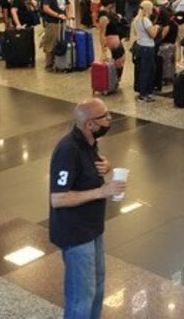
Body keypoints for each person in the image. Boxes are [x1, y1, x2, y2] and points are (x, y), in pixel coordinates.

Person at [49, 98, 126, 318]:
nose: (110, 119)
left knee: (97, 287)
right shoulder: (68, 150)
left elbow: (86, 172)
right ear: (90, 124)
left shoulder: (90, 142)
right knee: (81, 296)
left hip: (93, 228)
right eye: (105, 116)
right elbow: (58, 198)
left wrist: (106, 168)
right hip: (75, 234)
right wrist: (102, 192)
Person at [131, 0, 161, 102]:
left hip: (140, 45)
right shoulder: (145, 20)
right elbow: (153, 35)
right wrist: (156, 27)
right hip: (147, 47)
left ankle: (143, 91)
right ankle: (144, 94)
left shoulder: (136, 20)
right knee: (147, 70)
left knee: (143, 69)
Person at [41, 0, 73, 71]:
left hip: (62, 21)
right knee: (50, 42)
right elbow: (46, 8)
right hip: (52, 22)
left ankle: (58, 62)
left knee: (60, 41)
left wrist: (69, 13)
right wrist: (57, 15)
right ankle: (49, 64)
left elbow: (69, 4)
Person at [96, 0, 128, 85]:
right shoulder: (104, 17)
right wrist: (103, 50)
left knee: (121, 59)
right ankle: (114, 80)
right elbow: (102, 33)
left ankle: (116, 80)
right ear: (110, 4)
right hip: (112, 40)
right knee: (118, 61)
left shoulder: (108, 12)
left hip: (116, 38)